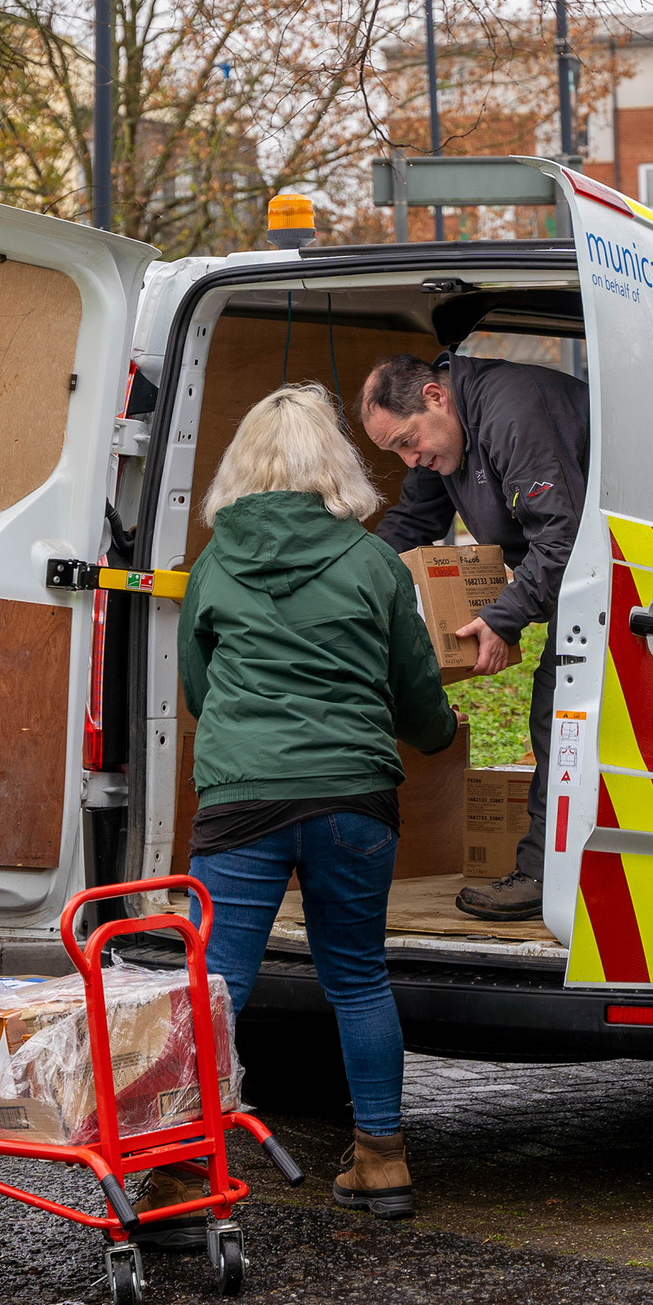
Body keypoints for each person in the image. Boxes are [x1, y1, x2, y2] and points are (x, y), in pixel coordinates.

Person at [166, 382, 455, 1231]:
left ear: (245, 464)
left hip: (242, 801)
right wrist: (441, 731)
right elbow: (417, 697)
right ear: (336, 464)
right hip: (354, 802)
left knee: (210, 988)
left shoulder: (214, 562)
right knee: (358, 977)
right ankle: (381, 1160)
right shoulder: (372, 562)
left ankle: (182, 1176)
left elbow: (197, 684)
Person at [358, 351, 588, 922]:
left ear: (436, 398)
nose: (413, 460)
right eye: (398, 453)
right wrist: (349, 579)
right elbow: (412, 525)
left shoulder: (509, 411)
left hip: (623, 566)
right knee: (559, 706)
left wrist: (504, 616)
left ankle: (544, 874)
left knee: (561, 707)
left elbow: (564, 537)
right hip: (579, 572)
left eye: (410, 442)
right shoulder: (444, 441)